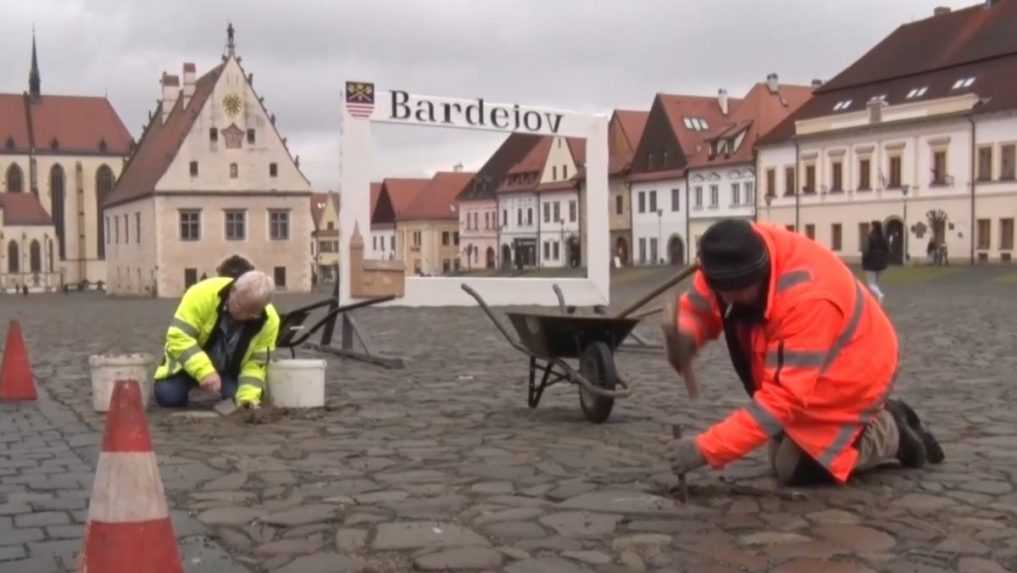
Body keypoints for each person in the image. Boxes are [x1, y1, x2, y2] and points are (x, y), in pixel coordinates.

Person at [663, 219, 943, 487]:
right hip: (813, 366)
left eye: (737, 292)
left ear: (760, 274)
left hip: (857, 369)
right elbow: (701, 306)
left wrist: (705, 449)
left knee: (794, 468)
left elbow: (781, 402)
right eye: (722, 291)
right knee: (779, 451)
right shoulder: (730, 257)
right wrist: (688, 333)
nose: (727, 300)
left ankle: (891, 430)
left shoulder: (806, 299)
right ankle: (863, 426)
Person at [153, 270, 279, 409]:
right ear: (233, 290)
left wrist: (247, 398)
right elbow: (178, 337)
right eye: (238, 306)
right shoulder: (201, 294)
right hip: (185, 365)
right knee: (169, 397)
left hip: (228, 370)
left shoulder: (269, 320)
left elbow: (256, 364)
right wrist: (205, 372)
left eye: (250, 313)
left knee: (236, 400)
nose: (241, 315)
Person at [861, 221, 889, 304]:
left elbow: (866, 250)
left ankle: (880, 295)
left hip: (871, 263)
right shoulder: (883, 238)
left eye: (870, 226)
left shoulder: (869, 237)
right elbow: (887, 249)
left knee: (871, 284)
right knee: (875, 283)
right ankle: (875, 300)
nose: (869, 228)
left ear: (873, 227)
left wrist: (864, 258)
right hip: (881, 263)